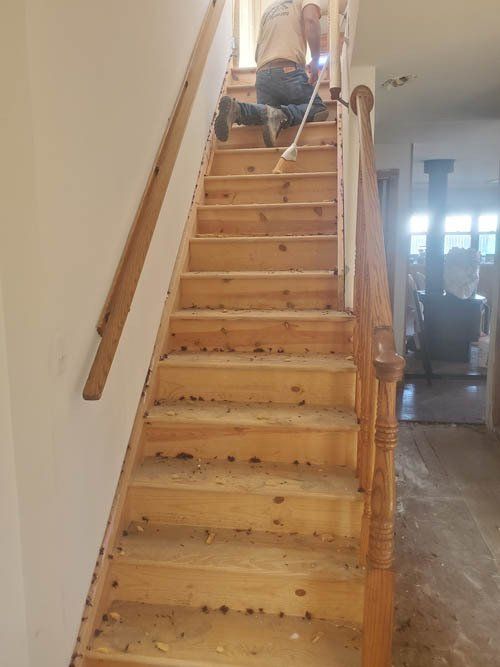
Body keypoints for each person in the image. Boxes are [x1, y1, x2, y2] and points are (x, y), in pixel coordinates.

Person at [215, 0, 328, 147]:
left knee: (264, 115)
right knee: (318, 108)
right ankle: (281, 115)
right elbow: (311, 20)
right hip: (288, 71)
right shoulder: (303, 2)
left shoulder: (268, 10)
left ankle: (237, 109)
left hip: (262, 75)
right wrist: (316, 59)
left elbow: (257, 52)